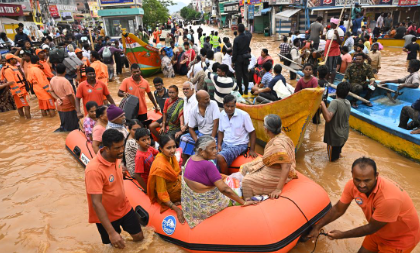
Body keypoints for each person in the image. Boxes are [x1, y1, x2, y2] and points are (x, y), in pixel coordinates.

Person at [307, 157, 420, 252]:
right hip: (378, 231)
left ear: (376, 175)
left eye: (367, 180)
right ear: (352, 175)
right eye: (357, 179)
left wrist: (341, 235)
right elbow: (338, 209)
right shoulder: (351, 185)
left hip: (400, 238)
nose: (361, 185)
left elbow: (371, 228)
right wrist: (317, 227)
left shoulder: (389, 199)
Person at [85, 129, 144, 249]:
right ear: (106, 148)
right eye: (117, 148)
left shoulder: (116, 158)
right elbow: (96, 203)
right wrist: (111, 232)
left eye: (122, 146)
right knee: (116, 246)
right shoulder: (94, 170)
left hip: (124, 207)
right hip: (107, 216)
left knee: (139, 237)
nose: (121, 150)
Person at [181, 135, 257, 228]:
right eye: (212, 149)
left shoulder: (190, 159)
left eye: (215, 147)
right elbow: (225, 189)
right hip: (206, 207)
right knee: (236, 196)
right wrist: (243, 202)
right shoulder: (208, 165)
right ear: (201, 151)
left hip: (193, 207)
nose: (215, 151)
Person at [241, 114, 297, 199]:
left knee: (246, 181)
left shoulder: (277, 144)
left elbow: (286, 166)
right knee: (245, 167)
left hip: (278, 172)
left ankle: (249, 201)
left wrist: (278, 189)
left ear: (266, 129)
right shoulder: (281, 135)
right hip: (272, 165)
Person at [147, 134, 184, 223]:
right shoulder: (160, 167)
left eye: (174, 147)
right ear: (161, 149)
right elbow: (162, 193)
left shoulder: (171, 157)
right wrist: (176, 209)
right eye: (169, 148)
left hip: (176, 183)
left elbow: (176, 174)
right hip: (169, 192)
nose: (172, 150)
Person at [217, 95, 256, 174]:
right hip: (226, 143)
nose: (230, 108)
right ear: (223, 105)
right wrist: (219, 144)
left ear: (235, 105)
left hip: (239, 145)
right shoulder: (222, 114)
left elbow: (252, 132)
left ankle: (226, 179)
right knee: (211, 156)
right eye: (227, 106)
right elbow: (220, 131)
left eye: (232, 106)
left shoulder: (244, 115)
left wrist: (252, 149)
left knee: (220, 158)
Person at [180, 90, 219, 161]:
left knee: (211, 149)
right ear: (199, 100)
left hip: (213, 134)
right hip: (201, 135)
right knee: (183, 138)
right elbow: (190, 128)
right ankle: (185, 164)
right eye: (206, 99)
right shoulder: (193, 110)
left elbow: (216, 123)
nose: (208, 100)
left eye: (209, 98)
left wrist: (212, 139)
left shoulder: (213, 104)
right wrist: (197, 141)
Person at [320, 82, 351, 161]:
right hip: (344, 136)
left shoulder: (335, 102)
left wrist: (322, 104)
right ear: (347, 93)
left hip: (335, 138)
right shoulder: (348, 102)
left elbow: (328, 118)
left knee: (332, 162)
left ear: (336, 91)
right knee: (338, 157)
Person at [49, 63, 79, 132]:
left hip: (59, 104)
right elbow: (69, 95)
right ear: (65, 71)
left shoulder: (52, 79)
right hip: (68, 105)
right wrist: (75, 106)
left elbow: (51, 91)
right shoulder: (65, 81)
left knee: (64, 121)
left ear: (56, 71)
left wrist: (57, 98)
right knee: (72, 125)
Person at [0, 54, 31, 119]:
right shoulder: (8, 70)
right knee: (26, 106)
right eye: (14, 59)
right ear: (11, 60)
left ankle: (23, 122)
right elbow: (13, 83)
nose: (16, 60)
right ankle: (28, 120)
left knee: (20, 107)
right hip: (18, 92)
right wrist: (19, 93)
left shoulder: (13, 67)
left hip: (20, 90)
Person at [232, 23, 252, 95]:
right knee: (245, 74)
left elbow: (234, 52)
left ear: (238, 30)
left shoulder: (236, 39)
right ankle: (246, 90)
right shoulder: (247, 38)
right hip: (246, 58)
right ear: (244, 29)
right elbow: (250, 34)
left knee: (239, 76)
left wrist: (233, 61)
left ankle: (240, 90)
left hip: (238, 59)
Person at [325, 18, 344, 83]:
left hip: (334, 53)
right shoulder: (330, 30)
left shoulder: (340, 31)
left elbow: (340, 42)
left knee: (333, 69)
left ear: (333, 24)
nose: (330, 24)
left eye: (331, 23)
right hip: (328, 51)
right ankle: (326, 80)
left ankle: (331, 82)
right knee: (327, 68)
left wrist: (337, 34)